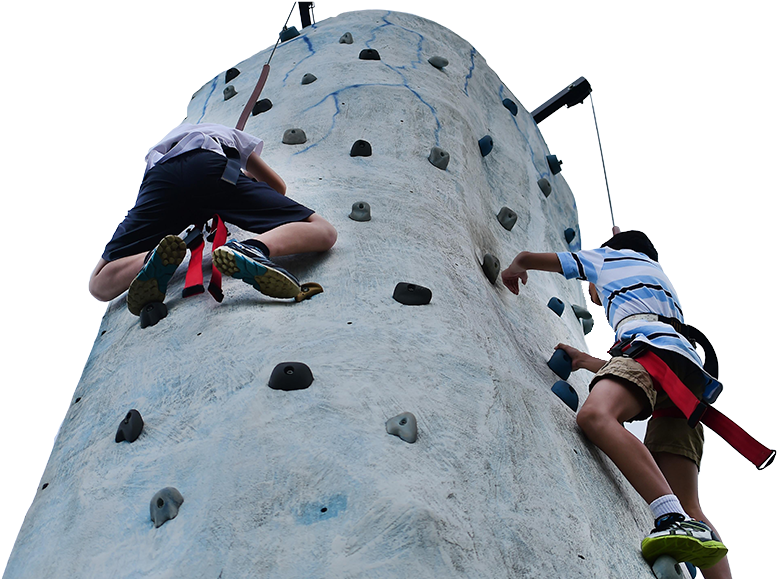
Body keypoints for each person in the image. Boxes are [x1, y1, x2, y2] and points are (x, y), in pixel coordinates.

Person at [501, 229, 731, 578]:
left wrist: (520, 263)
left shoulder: (609, 258)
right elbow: (640, 371)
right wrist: (583, 361)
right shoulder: (662, 282)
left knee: (595, 415)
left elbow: (557, 262)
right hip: (686, 377)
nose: (593, 295)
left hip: (648, 352)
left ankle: (668, 517)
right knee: (692, 503)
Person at [89, 122, 337, 314]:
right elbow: (277, 187)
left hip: (159, 183)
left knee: (98, 283)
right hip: (213, 170)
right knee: (323, 231)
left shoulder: (161, 147)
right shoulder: (227, 133)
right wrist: (245, 186)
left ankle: (152, 257)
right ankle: (252, 249)